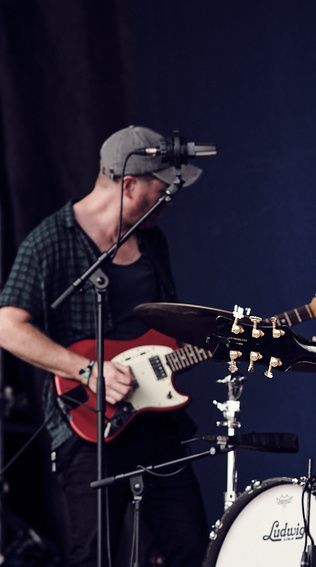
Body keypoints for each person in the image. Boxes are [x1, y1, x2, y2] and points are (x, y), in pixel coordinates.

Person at [0, 126, 209, 567]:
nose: (166, 201)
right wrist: (87, 370)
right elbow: (8, 326)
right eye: (160, 190)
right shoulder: (50, 242)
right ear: (127, 184)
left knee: (191, 548)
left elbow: (165, 328)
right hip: (89, 425)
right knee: (96, 556)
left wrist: (217, 344)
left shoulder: (152, 240)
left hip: (159, 421)